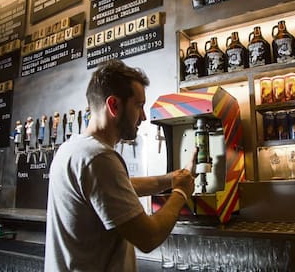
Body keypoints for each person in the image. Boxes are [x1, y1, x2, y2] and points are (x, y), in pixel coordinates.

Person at [44, 59, 196, 271]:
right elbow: (148, 237)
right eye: (139, 105)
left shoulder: (72, 149)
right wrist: (181, 192)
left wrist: (173, 178)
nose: (143, 116)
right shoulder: (98, 158)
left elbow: (121, 187)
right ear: (114, 105)